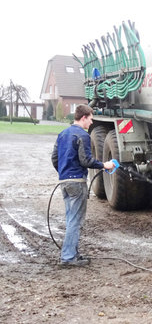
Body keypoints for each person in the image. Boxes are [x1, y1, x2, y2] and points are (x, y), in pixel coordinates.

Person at [51, 104, 115, 266]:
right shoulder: (83, 136)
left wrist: (64, 173)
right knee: (75, 220)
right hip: (77, 182)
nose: (91, 123)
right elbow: (86, 160)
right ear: (84, 117)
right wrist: (104, 165)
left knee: (71, 218)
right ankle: (68, 257)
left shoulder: (62, 134)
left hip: (64, 182)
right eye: (91, 119)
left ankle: (72, 253)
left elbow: (54, 159)